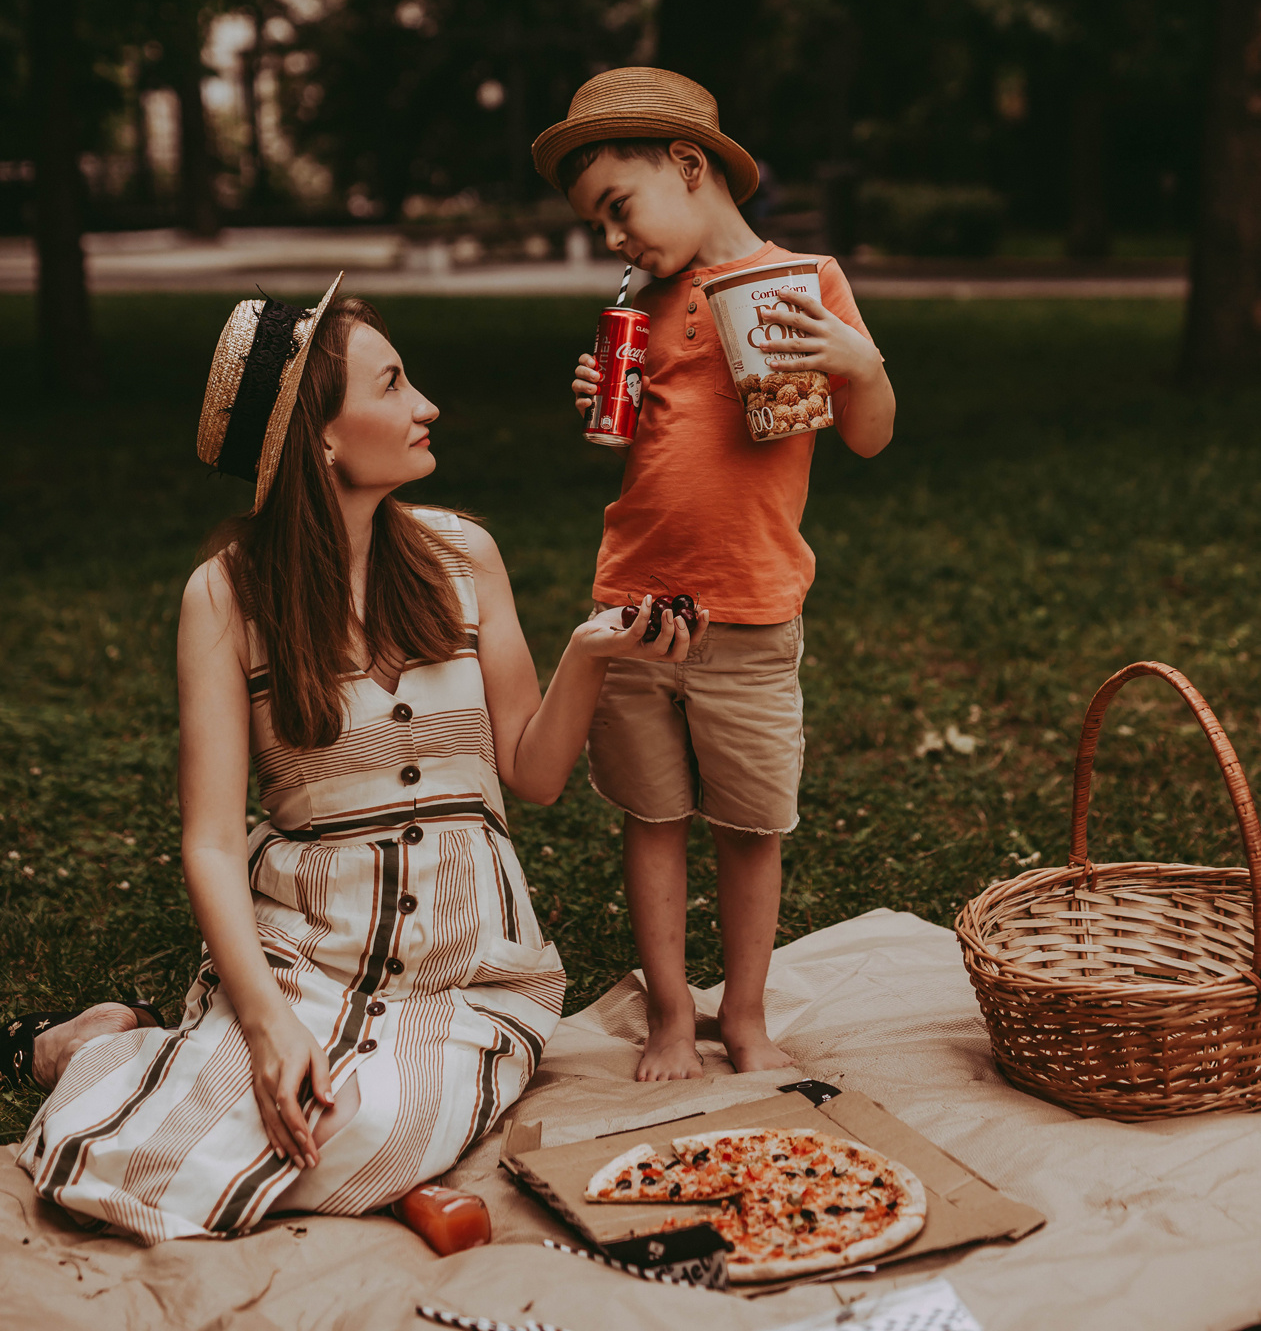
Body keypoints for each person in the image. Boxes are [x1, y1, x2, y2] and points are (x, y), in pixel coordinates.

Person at [10, 281, 701, 1243]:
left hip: (467, 966)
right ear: (323, 439)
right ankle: (96, 1048)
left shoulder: (464, 554)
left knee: (354, 1128)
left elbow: (534, 775)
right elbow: (210, 842)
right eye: (393, 383)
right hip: (305, 950)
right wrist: (266, 1023)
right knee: (147, 1160)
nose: (427, 405)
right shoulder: (223, 595)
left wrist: (590, 654)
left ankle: (142, 1056)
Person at [532, 68, 895, 1084]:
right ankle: (665, 1013)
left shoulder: (804, 283)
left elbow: (868, 436)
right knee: (652, 817)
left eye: (619, 208)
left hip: (750, 606)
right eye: (597, 224)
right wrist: (602, 401)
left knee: (748, 825)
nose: (612, 238)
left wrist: (859, 364)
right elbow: (643, 443)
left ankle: (742, 1012)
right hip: (634, 605)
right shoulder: (637, 306)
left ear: (688, 166)